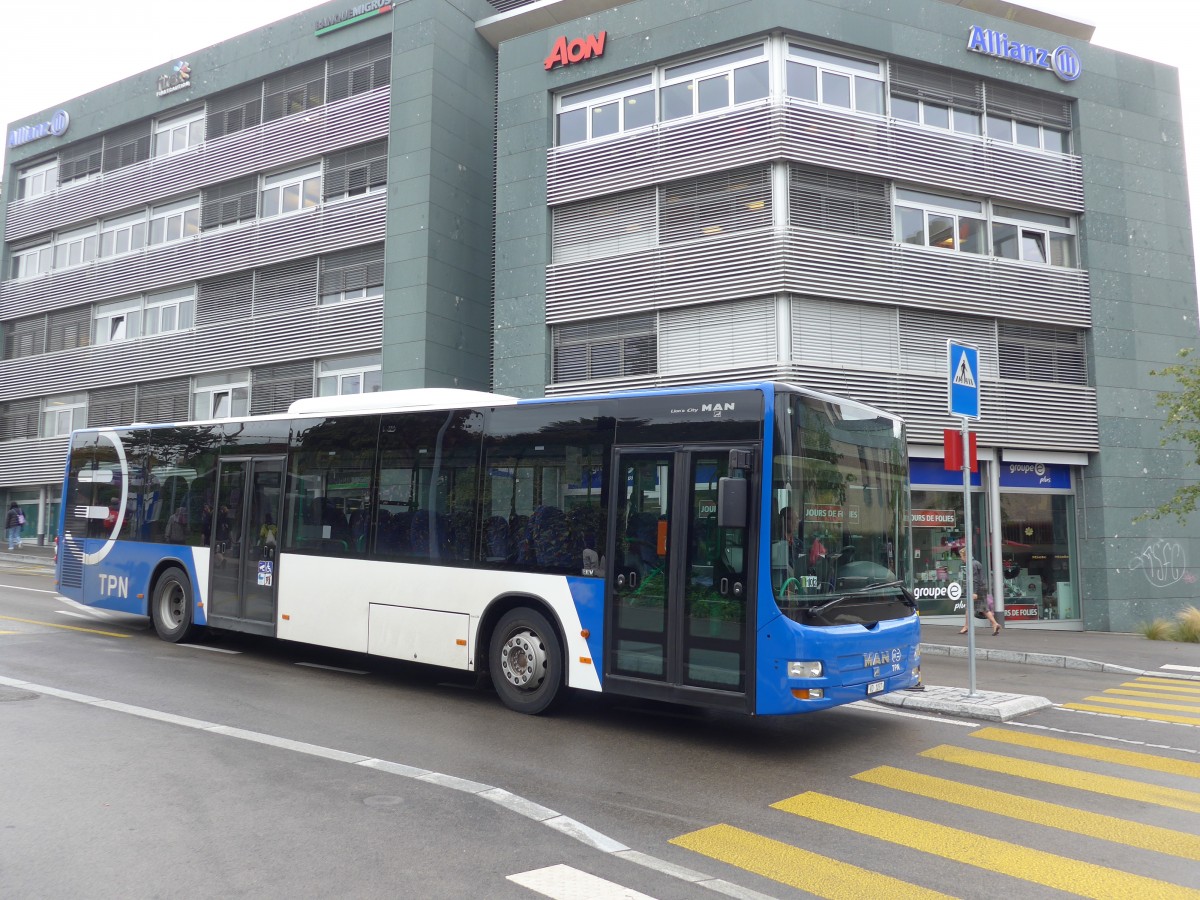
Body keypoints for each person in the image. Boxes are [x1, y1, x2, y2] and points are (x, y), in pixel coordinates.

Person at [958, 543, 1001, 636]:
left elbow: (974, 579)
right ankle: (995, 624)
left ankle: (966, 626)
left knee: (969, 608)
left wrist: (974, 592)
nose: (961, 559)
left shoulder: (972, 565)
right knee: (984, 608)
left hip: (977, 589)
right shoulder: (976, 563)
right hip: (982, 587)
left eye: (961, 556)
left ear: (965, 556)